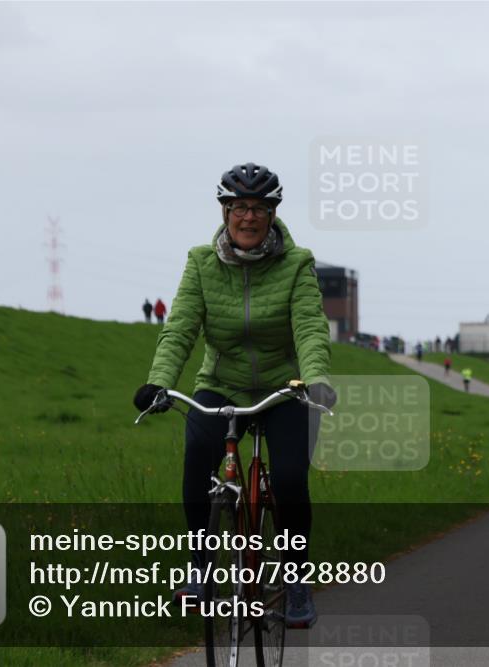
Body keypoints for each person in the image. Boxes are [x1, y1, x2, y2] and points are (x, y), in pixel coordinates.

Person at [132, 162, 336, 629]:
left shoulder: (297, 263)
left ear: (273, 213)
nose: (249, 217)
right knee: (198, 452)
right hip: (221, 383)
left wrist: (317, 379)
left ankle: (295, 577)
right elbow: (181, 326)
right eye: (239, 207)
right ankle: (201, 564)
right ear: (224, 212)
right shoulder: (201, 262)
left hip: (286, 389)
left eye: (259, 208)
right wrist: (159, 382)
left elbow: (309, 328)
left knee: (288, 479)